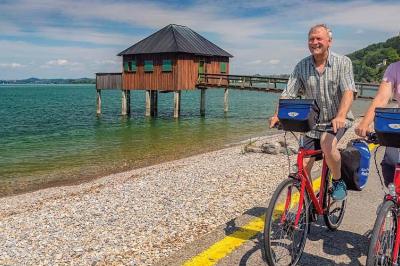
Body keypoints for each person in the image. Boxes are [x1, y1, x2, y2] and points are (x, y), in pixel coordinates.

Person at [270, 24, 357, 200]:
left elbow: (349, 91)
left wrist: (340, 116)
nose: (314, 42)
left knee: (327, 143)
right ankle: (309, 202)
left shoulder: (343, 62)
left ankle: (338, 180)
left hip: (337, 119)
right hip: (312, 123)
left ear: (329, 42)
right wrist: (278, 115)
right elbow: (288, 94)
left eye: (319, 38)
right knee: (303, 164)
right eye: (311, 39)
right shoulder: (301, 66)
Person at [355, 61, 400, 186]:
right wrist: (365, 123)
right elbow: (382, 98)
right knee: (390, 169)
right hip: (398, 126)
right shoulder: (395, 68)